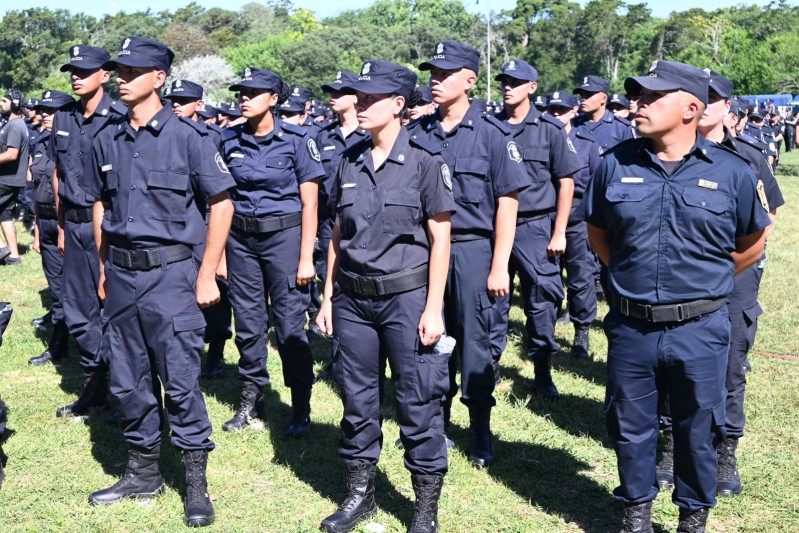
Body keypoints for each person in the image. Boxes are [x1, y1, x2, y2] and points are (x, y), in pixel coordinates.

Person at [582, 60, 771, 532]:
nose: (637, 105)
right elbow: (598, 234)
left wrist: (704, 283)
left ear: (691, 108)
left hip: (700, 327)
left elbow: (752, 243)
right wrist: (633, 281)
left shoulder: (732, 171)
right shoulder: (614, 164)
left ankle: (692, 519)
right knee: (630, 427)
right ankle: (636, 517)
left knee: (697, 430)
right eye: (637, 96)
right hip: (631, 325)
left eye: (651, 97)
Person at [85, 36, 233, 527]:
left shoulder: (189, 138)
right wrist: (105, 268)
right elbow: (101, 203)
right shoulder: (107, 137)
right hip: (123, 275)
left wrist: (207, 272)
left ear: (159, 78)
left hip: (172, 276)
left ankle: (196, 485)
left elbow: (221, 204)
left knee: (181, 381)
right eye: (118, 72)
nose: (121, 79)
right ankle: (143, 473)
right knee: (128, 380)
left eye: (132, 71)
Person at [315, 58, 455, 533]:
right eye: (359, 97)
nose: (360, 105)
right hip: (353, 300)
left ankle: (424, 509)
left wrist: (435, 307)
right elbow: (336, 234)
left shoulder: (425, 160)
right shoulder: (347, 160)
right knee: (357, 401)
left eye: (371, 98)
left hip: (407, 298)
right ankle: (361, 497)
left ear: (398, 105)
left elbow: (441, 239)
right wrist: (327, 298)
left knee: (418, 401)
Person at [655, 71, 784, 501]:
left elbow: (764, 225)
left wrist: (724, 269)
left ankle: (725, 449)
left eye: (714, 98)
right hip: (678, 277)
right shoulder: (662, 151)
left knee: (730, 363)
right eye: (699, 96)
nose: (705, 103)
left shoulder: (749, 155)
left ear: (728, 107)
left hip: (734, 278)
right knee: (673, 359)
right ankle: (671, 447)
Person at [408, 41, 528, 468]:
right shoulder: (417, 133)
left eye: (445, 74)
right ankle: (436, 428)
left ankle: (479, 431)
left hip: (473, 250)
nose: (435, 81)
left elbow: (508, 204)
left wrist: (499, 265)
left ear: (470, 79)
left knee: (476, 342)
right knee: (429, 340)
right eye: (432, 74)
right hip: (424, 251)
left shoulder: (492, 134)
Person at [219, 67, 323, 437]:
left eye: (253, 92)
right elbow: (222, 200)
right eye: (241, 92)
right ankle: (252, 402)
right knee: (247, 325)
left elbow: (310, 204)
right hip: (241, 241)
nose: (243, 98)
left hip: (285, 240)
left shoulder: (297, 141)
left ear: (274, 99)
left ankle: (300, 406)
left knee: (290, 326)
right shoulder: (227, 140)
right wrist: (220, 255)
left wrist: (307, 256)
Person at [492, 60, 581, 399]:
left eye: (515, 82)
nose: (507, 87)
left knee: (542, 300)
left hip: (536, 227)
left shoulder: (549, 129)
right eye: (504, 81)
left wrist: (559, 231)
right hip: (497, 227)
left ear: (532, 87)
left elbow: (566, 182)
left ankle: (542, 369)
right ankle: (493, 366)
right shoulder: (490, 127)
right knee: (493, 300)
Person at [51, 44, 127, 418]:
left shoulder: (121, 117)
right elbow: (58, 172)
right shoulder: (63, 117)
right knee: (78, 310)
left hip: (111, 227)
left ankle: (120, 391)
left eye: (84, 70)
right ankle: (95, 389)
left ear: (106, 74)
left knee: (114, 309)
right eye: (72, 72)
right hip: (74, 223)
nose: (76, 77)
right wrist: (60, 224)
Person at [164, 79, 232, 379]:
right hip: (176, 224)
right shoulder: (163, 134)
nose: (176, 104)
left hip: (208, 222)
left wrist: (223, 252)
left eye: (183, 99)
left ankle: (216, 349)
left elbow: (224, 195)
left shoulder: (214, 137)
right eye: (172, 99)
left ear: (199, 104)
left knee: (214, 290)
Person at [312, 70, 370, 381]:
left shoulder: (370, 133)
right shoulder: (322, 136)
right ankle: (338, 361)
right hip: (329, 224)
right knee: (332, 288)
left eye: (339, 91)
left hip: (363, 225)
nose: (332, 96)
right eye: (330, 91)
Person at [544, 91, 602, 359]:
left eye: (561, 110)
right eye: (552, 110)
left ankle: (582, 330)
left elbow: (596, 185)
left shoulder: (588, 144)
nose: (556, 115)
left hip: (578, 218)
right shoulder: (541, 139)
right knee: (548, 275)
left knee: (581, 277)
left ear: (572, 112)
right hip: (547, 214)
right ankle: (546, 328)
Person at [28, 90, 76, 366]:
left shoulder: (72, 146)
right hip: (45, 222)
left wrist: (61, 228)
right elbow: (38, 189)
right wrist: (37, 227)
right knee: (56, 288)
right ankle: (59, 346)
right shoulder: (42, 142)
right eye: (43, 110)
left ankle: (64, 346)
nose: (45, 114)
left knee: (67, 291)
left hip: (66, 225)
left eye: (52, 110)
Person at [0, 88, 30, 266]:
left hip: (6, 179)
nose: (1, 103)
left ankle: (2, 249)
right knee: (4, 214)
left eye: (4, 101)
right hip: (11, 179)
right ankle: (13, 256)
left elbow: (12, 154)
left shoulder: (15, 125)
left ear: (15, 104)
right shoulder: (12, 124)